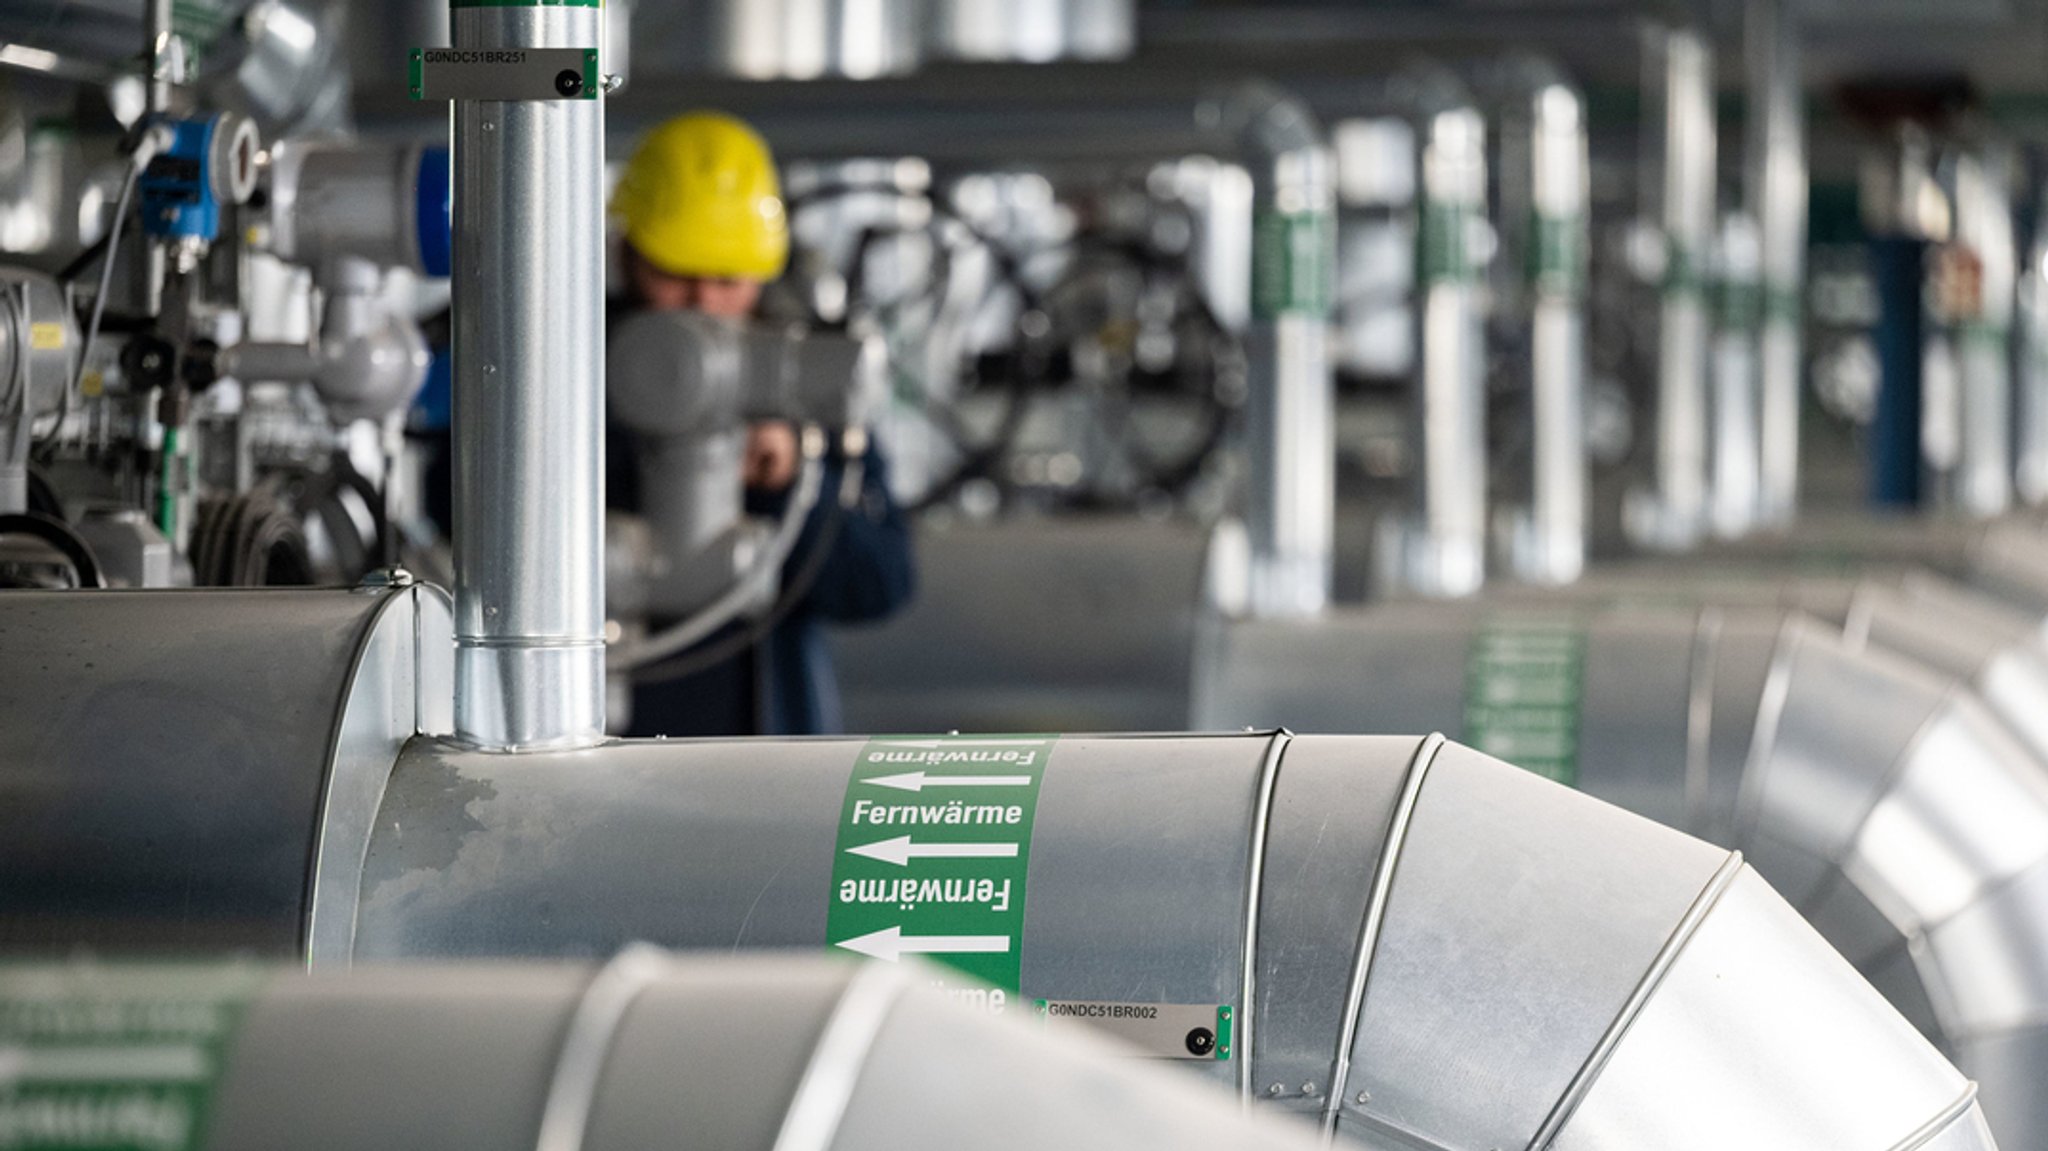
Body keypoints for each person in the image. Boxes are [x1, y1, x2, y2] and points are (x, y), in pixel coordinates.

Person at [607, 111, 915, 736]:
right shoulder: (554, 385)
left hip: (765, 752)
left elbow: (879, 584)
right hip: (593, 740)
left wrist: (790, 481)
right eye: (675, 275)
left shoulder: (799, 381)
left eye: (727, 280)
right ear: (627, 256)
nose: (702, 304)